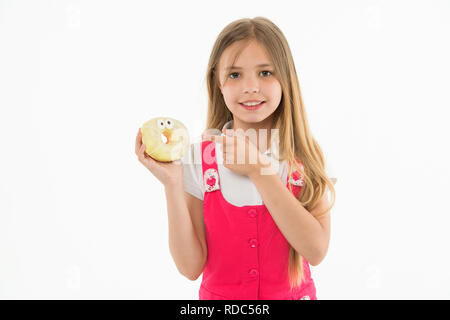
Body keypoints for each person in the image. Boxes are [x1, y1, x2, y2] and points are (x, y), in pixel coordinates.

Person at [135, 16, 337, 300]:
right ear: (218, 83)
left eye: (266, 73)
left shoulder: (305, 154)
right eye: (235, 75)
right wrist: (172, 185)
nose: (250, 86)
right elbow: (190, 266)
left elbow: (316, 250)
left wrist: (258, 170)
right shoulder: (199, 157)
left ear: (286, 78)